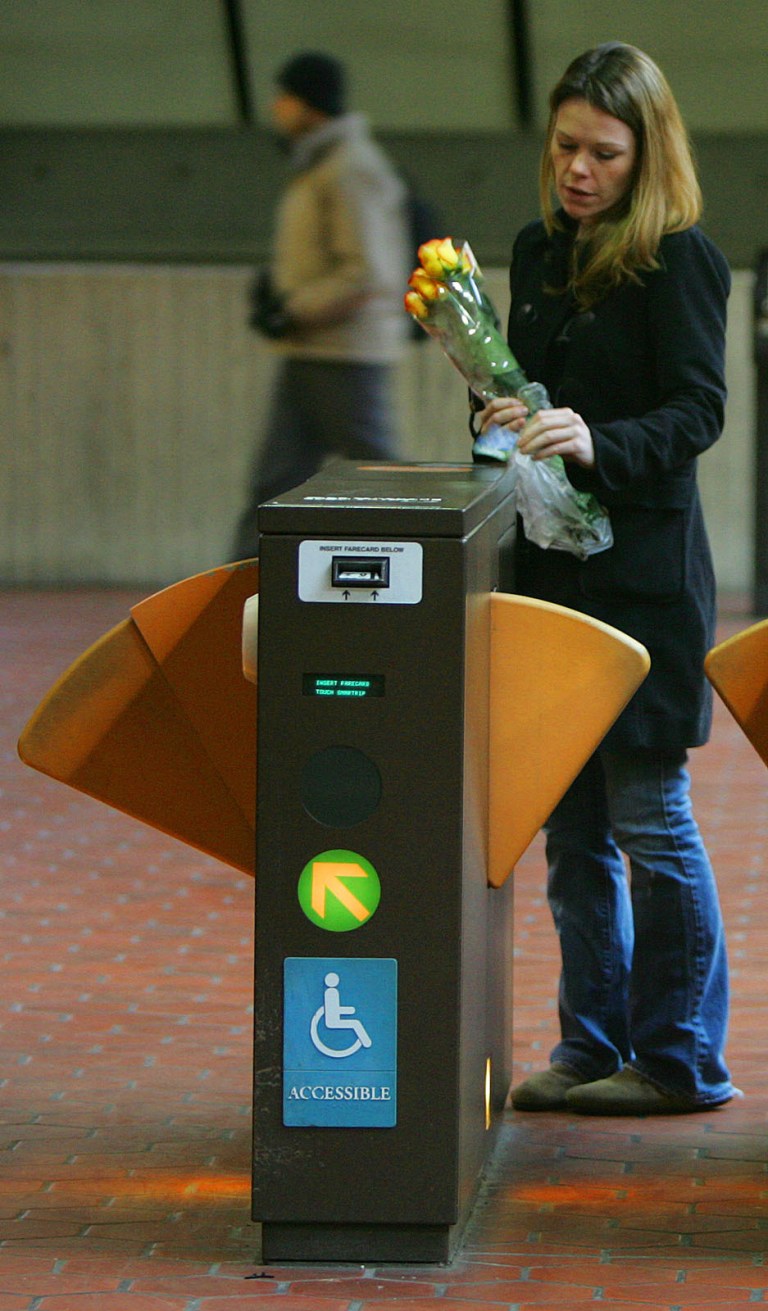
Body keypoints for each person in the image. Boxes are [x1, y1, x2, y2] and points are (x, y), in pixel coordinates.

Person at [475, 42, 736, 1115]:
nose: (580, 170)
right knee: (570, 831)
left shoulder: (679, 259)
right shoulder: (537, 251)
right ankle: (589, 1043)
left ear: (647, 155)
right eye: (567, 146)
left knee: (649, 822)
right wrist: (500, 422)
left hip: (640, 591)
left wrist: (598, 441)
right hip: (548, 582)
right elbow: (528, 392)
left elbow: (698, 412)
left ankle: (680, 1062)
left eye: (605, 153)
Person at [230, 51, 410, 560]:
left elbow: (368, 273)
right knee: (275, 484)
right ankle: (235, 595)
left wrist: (293, 308)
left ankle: (433, 572)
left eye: (284, 96)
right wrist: (282, 297)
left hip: (347, 355)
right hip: (313, 350)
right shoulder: (320, 164)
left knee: (385, 477)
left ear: (308, 103)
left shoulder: (352, 168)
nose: (275, 106)